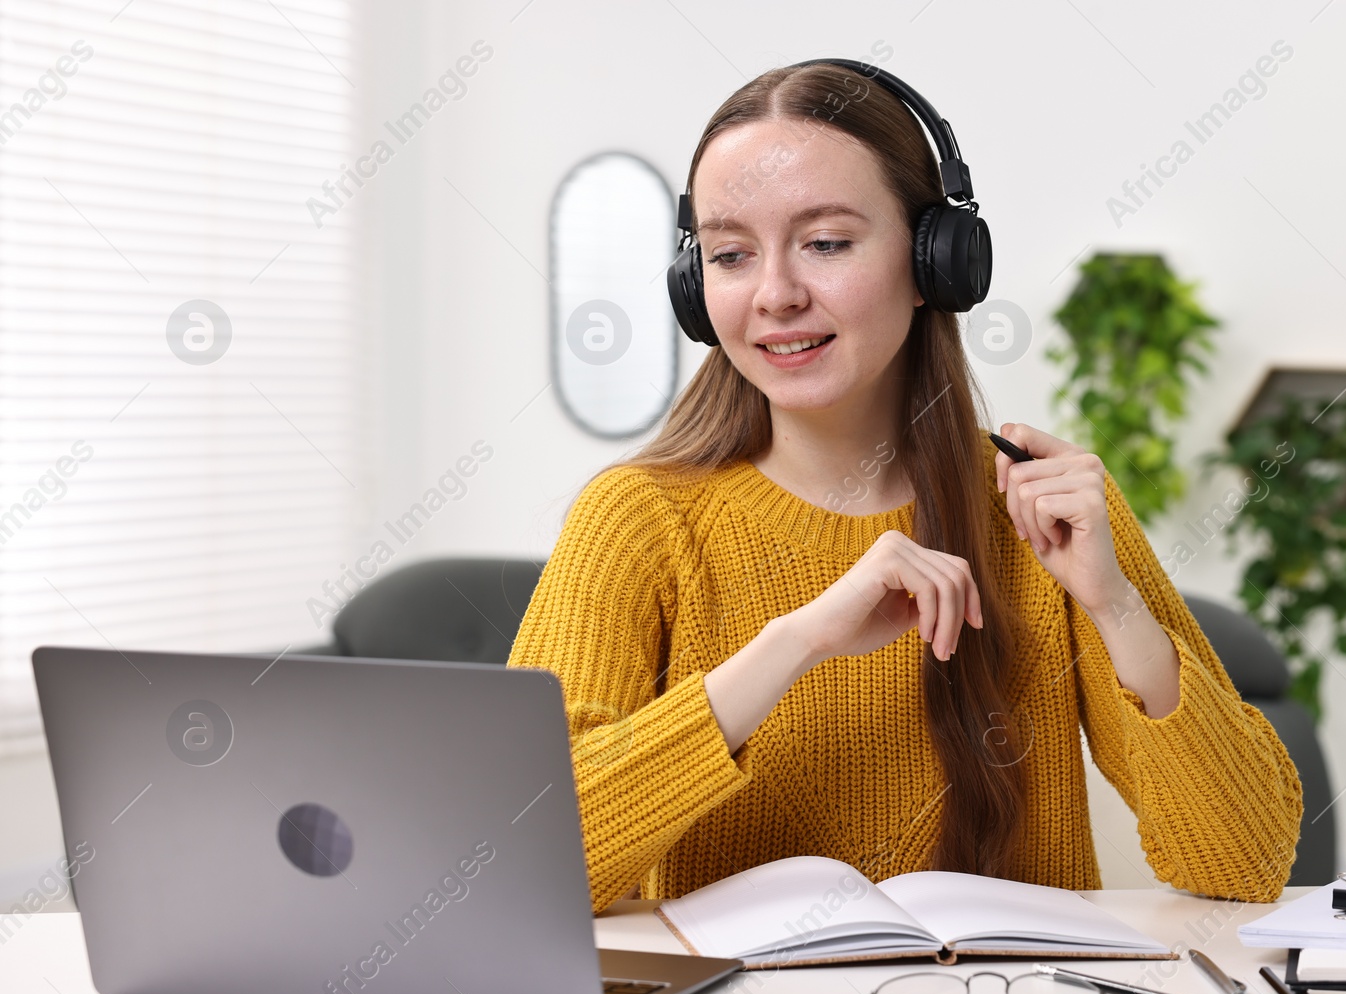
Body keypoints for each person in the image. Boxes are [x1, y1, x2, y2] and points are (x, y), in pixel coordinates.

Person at [508, 62, 1302, 915]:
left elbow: (1244, 864)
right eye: (732, 254)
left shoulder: (1039, 510)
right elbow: (518, 862)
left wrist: (1112, 604)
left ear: (936, 262)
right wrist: (797, 642)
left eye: (827, 243)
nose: (775, 294)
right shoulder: (638, 518)